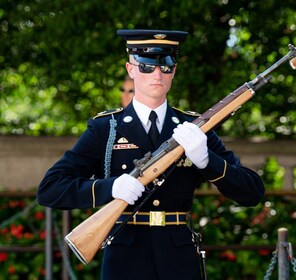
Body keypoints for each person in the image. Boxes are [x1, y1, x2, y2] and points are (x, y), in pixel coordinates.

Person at [37, 29, 265, 280]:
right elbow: (50, 189)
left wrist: (206, 160)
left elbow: (252, 191)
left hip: (178, 259)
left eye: (166, 67)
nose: (157, 74)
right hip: (125, 259)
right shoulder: (106, 128)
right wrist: (110, 188)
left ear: (174, 71)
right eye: (146, 66)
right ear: (130, 69)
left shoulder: (194, 128)